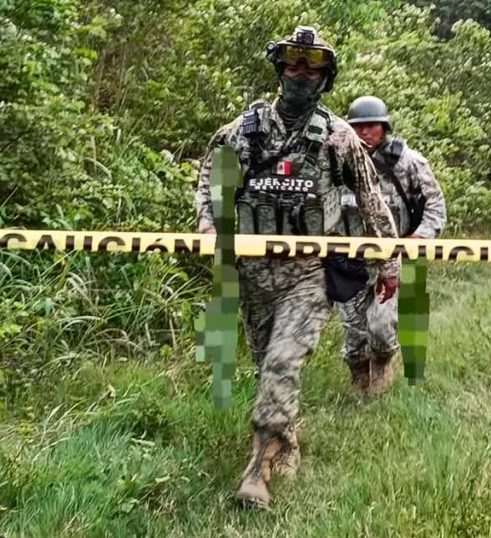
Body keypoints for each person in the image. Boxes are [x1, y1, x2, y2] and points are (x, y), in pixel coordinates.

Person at [194, 26, 400, 510]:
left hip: (307, 276)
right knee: (268, 364)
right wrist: (208, 225)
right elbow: (209, 181)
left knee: (283, 363)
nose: (300, 72)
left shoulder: (338, 137)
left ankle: (256, 474)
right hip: (253, 275)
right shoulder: (243, 130)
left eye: (312, 65)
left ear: (326, 77)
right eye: (292, 61)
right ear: (279, 68)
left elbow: (372, 203)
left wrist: (388, 261)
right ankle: (285, 440)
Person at [334, 96, 447, 395]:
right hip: (349, 261)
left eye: (371, 126)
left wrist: (420, 237)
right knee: (355, 337)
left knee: (382, 330)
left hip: (392, 259)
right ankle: (361, 385)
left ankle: (383, 369)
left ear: (384, 128)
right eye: (357, 127)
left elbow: (435, 206)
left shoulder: (407, 162)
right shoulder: (337, 162)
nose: (364, 133)